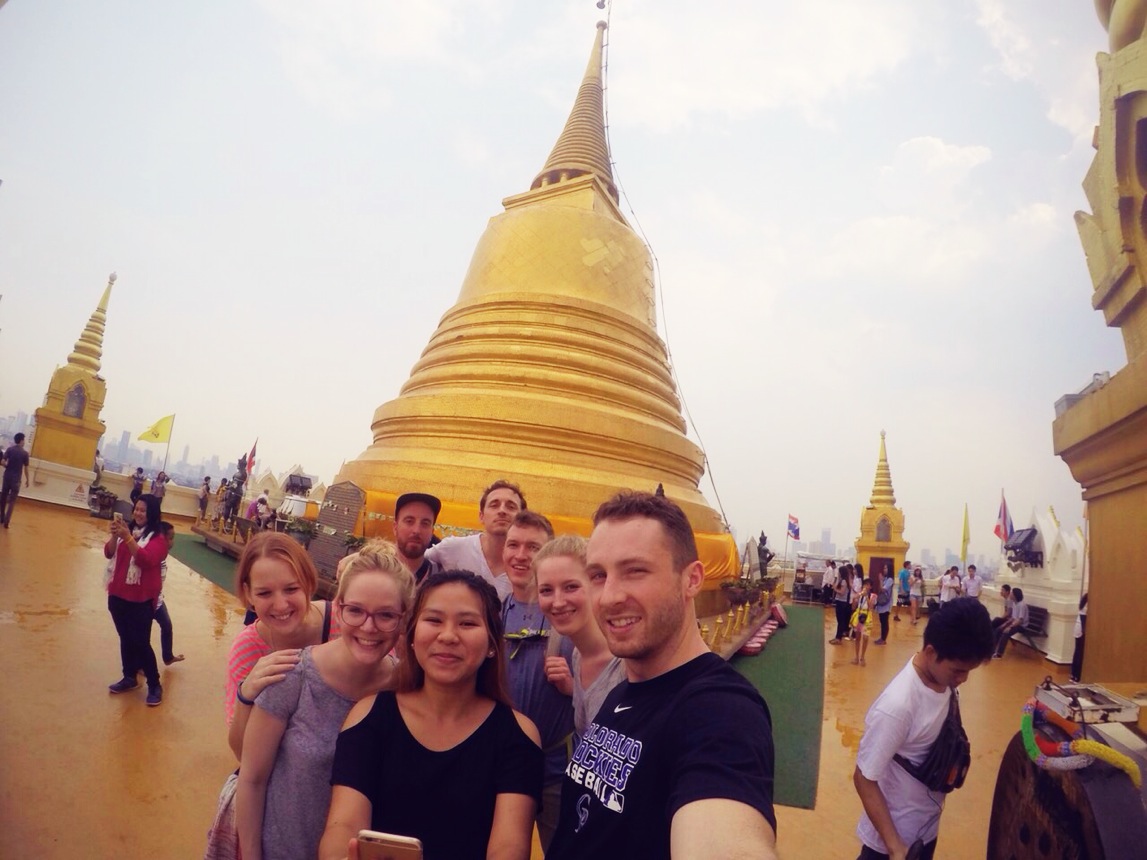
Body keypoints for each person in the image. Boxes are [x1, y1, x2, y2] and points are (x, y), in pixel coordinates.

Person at [547, 492, 777, 860]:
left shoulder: (720, 711)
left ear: (692, 580)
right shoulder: (621, 692)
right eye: (598, 575)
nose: (609, 597)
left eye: (635, 571)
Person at [319, 570, 543, 860]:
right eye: (434, 620)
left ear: (491, 644)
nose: (448, 635)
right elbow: (343, 823)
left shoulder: (518, 735)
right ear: (412, 636)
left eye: (467, 623)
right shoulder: (369, 717)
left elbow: (509, 846)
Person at [237, 543, 414, 860]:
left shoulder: (407, 688)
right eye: (356, 611)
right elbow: (252, 779)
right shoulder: (293, 676)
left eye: (386, 615)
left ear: (403, 619)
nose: (368, 627)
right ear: (339, 607)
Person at [853, 597, 995, 859]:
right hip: (889, 846)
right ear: (931, 652)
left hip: (925, 833)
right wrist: (895, 846)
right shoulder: (898, 706)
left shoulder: (946, 684)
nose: (963, 679)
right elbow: (864, 778)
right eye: (958, 670)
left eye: (969, 671)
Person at [225, 532, 343, 760]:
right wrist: (245, 694)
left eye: (291, 589)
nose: (280, 605)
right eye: (264, 593)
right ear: (249, 593)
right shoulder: (249, 648)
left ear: (308, 582)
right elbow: (241, 753)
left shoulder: (342, 623)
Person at [499, 510, 572, 851]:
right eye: (513, 545)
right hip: (502, 759)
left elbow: (611, 691)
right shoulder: (493, 612)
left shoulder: (570, 615)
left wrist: (573, 688)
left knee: (562, 848)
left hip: (558, 762)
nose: (520, 555)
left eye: (533, 547)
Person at [535, 534, 625, 740]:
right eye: (546, 590)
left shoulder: (625, 665)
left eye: (571, 587)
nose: (557, 602)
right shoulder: (578, 656)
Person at [105, 493, 169, 706]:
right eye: (136, 509)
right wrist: (116, 536)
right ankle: (129, 677)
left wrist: (128, 538)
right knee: (125, 638)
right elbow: (108, 553)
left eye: (143, 510)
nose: (138, 513)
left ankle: (154, 684)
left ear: (151, 513)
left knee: (141, 643)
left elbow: (145, 559)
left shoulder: (159, 538)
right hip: (118, 595)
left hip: (141, 600)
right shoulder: (127, 530)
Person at [426, 479, 525, 600]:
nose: (502, 511)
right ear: (481, 516)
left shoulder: (528, 564)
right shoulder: (453, 548)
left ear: (522, 518)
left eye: (511, 506)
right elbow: (413, 563)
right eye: (494, 505)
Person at [392, 491, 442, 584]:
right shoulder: (372, 570)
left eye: (425, 523)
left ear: (432, 532)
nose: (416, 530)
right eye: (409, 521)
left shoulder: (439, 580)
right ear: (395, 527)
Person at [154, 522, 185, 666]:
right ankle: (138, 664)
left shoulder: (162, 556)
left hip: (158, 600)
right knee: (142, 634)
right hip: (147, 601)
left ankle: (168, 657)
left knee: (167, 626)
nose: (172, 542)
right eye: (170, 538)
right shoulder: (153, 554)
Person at [0, 432, 31, 528]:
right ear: (21, 440)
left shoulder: (10, 449)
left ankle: (1, 517)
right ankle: (7, 522)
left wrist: (7, 466)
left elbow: (2, 461)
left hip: (7, 477)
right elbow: (26, 468)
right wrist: (27, 479)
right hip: (16, 479)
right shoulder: (25, 453)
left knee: (3, 498)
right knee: (12, 501)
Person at [993, 587, 1027, 658]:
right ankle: (992, 649)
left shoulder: (1022, 605)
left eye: (1011, 593)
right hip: (1015, 622)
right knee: (999, 629)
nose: (1010, 594)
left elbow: (1020, 620)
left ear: (1015, 595)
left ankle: (999, 654)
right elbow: (1013, 618)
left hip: (1021, 626)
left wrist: (1010, 627)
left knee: (1006, 632)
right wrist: (1005, 624)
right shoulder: (1015, 603)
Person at [852, 576, 878, 666]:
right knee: (858, 637)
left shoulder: (873, 596)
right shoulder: (860, 594)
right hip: (859, 615)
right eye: (865, 584)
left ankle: (862, 656)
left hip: (867, 617)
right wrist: (856, 598)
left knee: (866, 638)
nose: (866, 586)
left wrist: (866, 596)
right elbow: (853, 605)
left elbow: (871, 606)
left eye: (868, 585)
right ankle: (856, 656)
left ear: (871, 587)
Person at [829, 564, 854, 645]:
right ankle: (837, 637)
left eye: (839, 572)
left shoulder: (844, 581)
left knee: (841, 621)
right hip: (840, 602)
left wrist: (835, 589)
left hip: (842, 603)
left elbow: (842, 592)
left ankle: (838, 638)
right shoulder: (842, 580)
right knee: (840, 620)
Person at [874, 566, 894, 645]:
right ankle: (882, 637)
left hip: (886, 603)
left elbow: (883, 589)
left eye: (886, 568)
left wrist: (881, 580)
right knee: (882, 621)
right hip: (882, 603)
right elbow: (880, 589)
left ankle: (883, 639)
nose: (884, 570)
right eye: (884, 568)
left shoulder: (890, 580)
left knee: (884, 621)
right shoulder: (885, 579)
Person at [1071, 593, 1088, 682]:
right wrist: (1084, 632)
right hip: (1081, 629)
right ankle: (1077, 675)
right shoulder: (1088, 603)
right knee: (1080, 653)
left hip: (1078, 628)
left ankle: (1073, 674)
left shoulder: (1084, 600)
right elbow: (1084, 618)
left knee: (1077, 651)